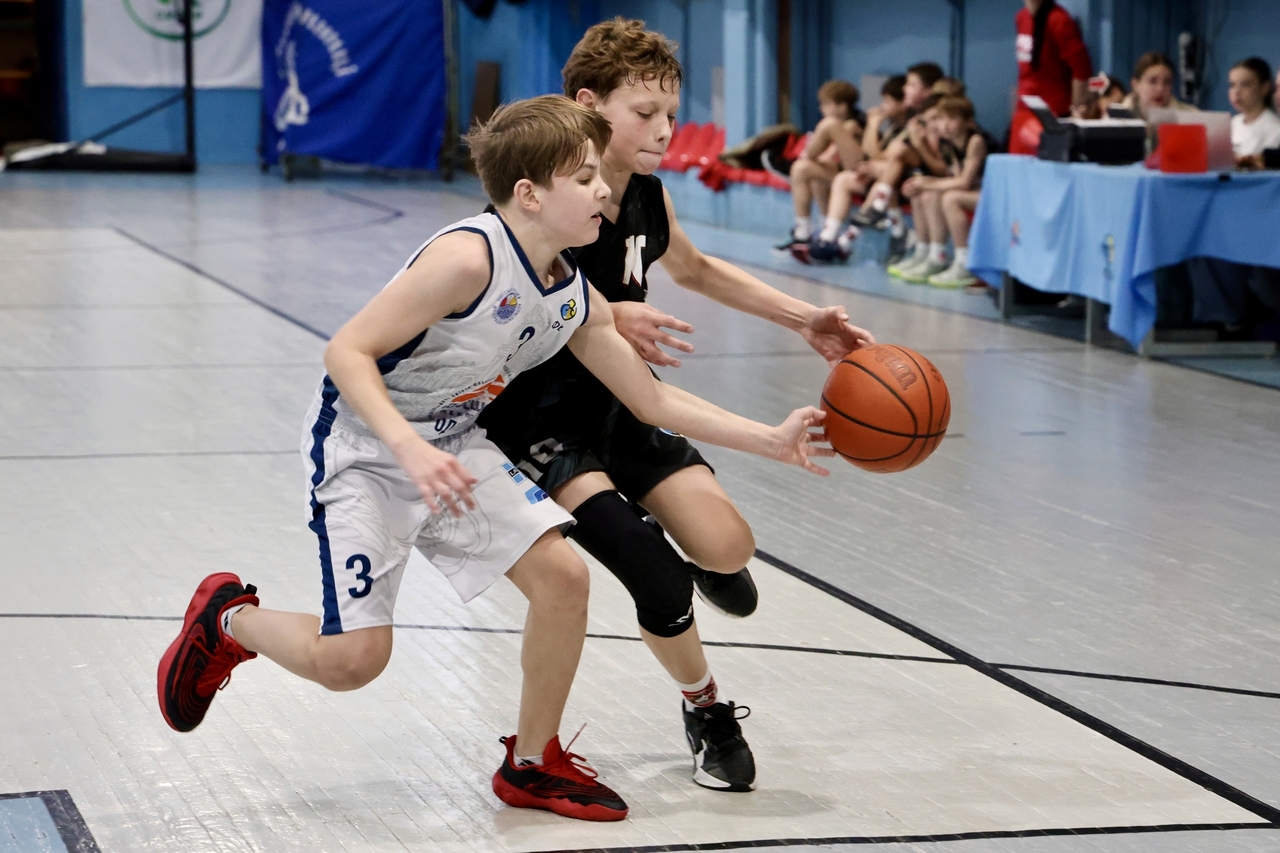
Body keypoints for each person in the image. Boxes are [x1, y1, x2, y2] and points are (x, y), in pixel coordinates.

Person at [156, 95, 833, 823]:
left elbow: (652, 400)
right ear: (529, 194)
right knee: (352, 663)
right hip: (368, 448)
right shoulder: (467, 258)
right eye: (583, 178)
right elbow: (346, 351)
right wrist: (407, 447)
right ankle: (227, 619)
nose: (602, 190)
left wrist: (770, 438)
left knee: (564, 579)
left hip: (454, 443)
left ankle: (532, 762)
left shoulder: (570, 290)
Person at [478, 19, 874, 794]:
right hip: (541, 420)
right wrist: (599, 313)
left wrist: (804, 317)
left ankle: (682, 549)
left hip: (626, 401)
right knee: (656, 578)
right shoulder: (542, 199)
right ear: (587, 104)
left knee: (728, 547)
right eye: (645, 113)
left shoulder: (645, 194)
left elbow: (694, 268)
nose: (665, 130)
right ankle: (706, 707)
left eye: (671, 113)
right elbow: (523, 293)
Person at [887, 96, 993, 287]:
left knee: (950, 198)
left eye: (952, 119)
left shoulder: (975, 141)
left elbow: (964, 182)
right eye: (942, 118)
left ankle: (964, 261)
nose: (945, 125)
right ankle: (931, 254)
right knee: (924, 194)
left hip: (993, 194)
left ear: (968, 122)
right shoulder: (948, 143)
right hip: (975, 191)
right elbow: (954, 179)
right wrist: (922, 182)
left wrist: (927, 183)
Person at [800, 76, 908, 261]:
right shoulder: (893, 127)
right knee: (840, 179)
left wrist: (873, 124)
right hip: (873, 177)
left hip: (897, 183)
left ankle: (845, 243)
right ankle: (827, 237)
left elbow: (875, 155)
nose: (882, 106)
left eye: (887, 101)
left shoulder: (905, 128)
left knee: (829, 128)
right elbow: (871, 153)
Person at [778, 79, 864, 250]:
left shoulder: (852, 125)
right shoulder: (840, 126)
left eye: (826, 104)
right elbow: (827, 158)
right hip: (843, 172)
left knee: (826, 127)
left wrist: (811, 154)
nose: (821, 108)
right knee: (802, 169)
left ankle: (800, 157)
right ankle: (803, 232)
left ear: (842, 107)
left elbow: (830, 155)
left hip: (860, 173)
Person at [1008, 0, 1092, 155]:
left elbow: (1081, 68)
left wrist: (1076, 109)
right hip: (1024, 110)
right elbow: (1024, 72)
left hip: (1052, 113)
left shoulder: (1059, 21)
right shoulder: (1021, 17)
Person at [1228, 57, 1280, 166]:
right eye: (1232, 85)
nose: (1236, 91)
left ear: (1264, 88)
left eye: (1245, 85)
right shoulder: (1232, 123)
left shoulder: (1275, 128)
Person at [1118, 52, 1194, 122]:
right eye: (1153, 81)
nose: (1160, 89)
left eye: (1167, 82)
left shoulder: (1191, 117)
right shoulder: (1117, 118)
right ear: (1135, 85)